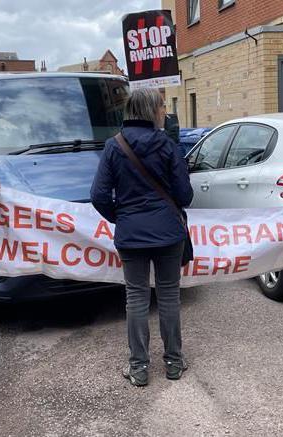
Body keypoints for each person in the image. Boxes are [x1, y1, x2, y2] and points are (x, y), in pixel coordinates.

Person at [90, 88, 193, 387]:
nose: (164, 111)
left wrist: (121, 217)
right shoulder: (167, 145)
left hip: (131, 234)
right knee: (169, 295)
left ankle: (139, 367)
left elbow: (98, 195)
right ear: (152, 111)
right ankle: (174, 361)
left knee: (136, 298)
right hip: (169, 233)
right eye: (161, 106)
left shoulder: (114, 146)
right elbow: (184, 196)